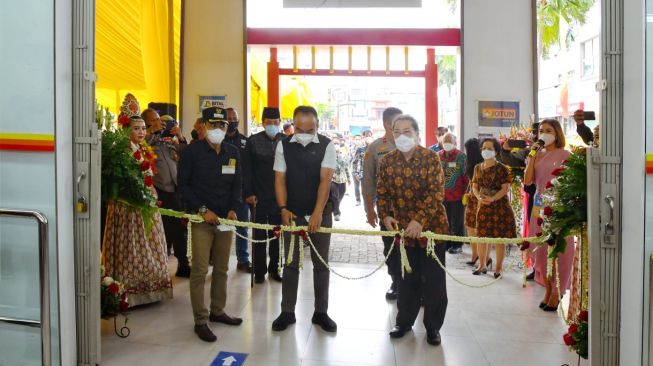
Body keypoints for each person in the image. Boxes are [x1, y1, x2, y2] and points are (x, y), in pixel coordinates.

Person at [377, 114, 449, 346]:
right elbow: (383, 192)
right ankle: (404, 322)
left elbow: (436, 193)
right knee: (406, 278)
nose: (402, 136)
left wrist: (419, 220)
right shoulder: (388, 161)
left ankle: (432, 327)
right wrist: (385, 214)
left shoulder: (430, 158)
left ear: (417, 134)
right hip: (404, 233)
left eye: (407, 131)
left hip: (431, 230)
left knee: (434, 281)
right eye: (397, 132)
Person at [178, 106, 244, 342]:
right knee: (199, 270)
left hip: (226, 220)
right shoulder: (191, 152)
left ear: (228, 127)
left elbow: (238, 184)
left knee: (223, 268)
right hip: (201, 219)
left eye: (222, 126)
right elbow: (183, 186)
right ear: (204, 126)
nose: (218, 129)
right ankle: (201, 320)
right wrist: (203, 211)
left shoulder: (233, 151)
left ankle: (218, 311)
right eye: (213, 125)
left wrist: (234, 208)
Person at [271, 106, 338, 332]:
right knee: (290, 264)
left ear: (316, 126)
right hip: (292, 213)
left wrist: (318, 212)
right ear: (293, 125)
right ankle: (287, 312)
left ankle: (321, 313)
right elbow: (280, 179)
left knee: (321, 265)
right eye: (299, 129)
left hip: (321, 212)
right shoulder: (283, 145)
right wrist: (283, 208)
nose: (303, 134)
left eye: (308, 130)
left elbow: (325, 181)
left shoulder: (327, 145)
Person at [102, 96, 173, 307]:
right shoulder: (120, 152)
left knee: (151, 249)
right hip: (128, 210)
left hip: (146, 209)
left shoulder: (143, 150)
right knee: (131, 253)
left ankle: (152, 291)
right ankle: (129, 294)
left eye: (143, 128)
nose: (141, 132)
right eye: (136, 128)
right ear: (126, 130)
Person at [524, 119, 574, 311]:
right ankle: (547, 288)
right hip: (538, 208)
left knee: (559, 251)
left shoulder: (565, 155)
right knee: (541, 250)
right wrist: (532, 156)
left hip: (558, 209)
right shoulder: (536, 155)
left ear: (557, 133)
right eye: (541, 130)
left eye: (549, 130)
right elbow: (528, 181)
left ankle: (557, 291)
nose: (544, 133)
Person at [142, 108, 190, 277]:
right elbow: (140, 149)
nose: (159, 122)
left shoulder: (167, 138)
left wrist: (181, 138)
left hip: (175, 189)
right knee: (160, 231)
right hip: (157, 190)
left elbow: (186, 154)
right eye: (154, 120)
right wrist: (150, 132)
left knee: (179, 228)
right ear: (146, 123)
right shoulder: (146, 138)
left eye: (160, 120)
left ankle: (183, 264)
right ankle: (159, 267)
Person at [362, 107, 403, 300]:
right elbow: (368, 181)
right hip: (387, 208)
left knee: (413, 245)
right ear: (387, 124)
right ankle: (396, 281)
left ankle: (413, 283)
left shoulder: (411, 145)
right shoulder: (375, 148)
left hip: (411, 208)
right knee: (391, 247)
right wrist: (369, 210)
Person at [244, 107, 284, 284]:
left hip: (279, 197)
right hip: (258, 196)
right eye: (269, 123)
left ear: (280, 123)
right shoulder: (252, 141)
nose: (273, 125)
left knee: (276, 235)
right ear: (263, 123)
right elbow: (246, 170)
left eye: (276, 123)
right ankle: (259, 271)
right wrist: (249, 193)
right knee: (259, 236)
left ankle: (275, 269)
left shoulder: (286, 141)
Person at [471, 138, 517, 278]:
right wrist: (479, 197)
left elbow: (505, 188)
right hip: (483, 206)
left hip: (500, 207)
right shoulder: (477, 167)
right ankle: (482, 265)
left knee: (499, 239)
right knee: (481, 237)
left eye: (490, 148)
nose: (486, 151)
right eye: (484, 148)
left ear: (496, 151)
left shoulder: (502, 168)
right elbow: (474, 186)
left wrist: (493, 198)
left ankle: (498, 269)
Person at [225, 107, 252, 273]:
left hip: (241, 193)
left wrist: (249, 192)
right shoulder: (219, 141)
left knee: (242, 227)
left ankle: (243, 259)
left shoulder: (245, 141)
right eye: (230, 118)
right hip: (223, 192)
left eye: (236, 118)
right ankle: (218, 259)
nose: (233, 121)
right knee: (222, 229)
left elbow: (249, 168)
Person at [437, 133, 468, 254]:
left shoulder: (461, 157)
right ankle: (447, 243)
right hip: (441, 196)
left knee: (457, 221)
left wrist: (466, 194)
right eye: (445, 141)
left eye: (449, 141)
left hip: (457, 196)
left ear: (455, 143)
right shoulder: (437, 156)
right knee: (444, 220)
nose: (447, 143)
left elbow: (466, 178)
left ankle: (457, 244)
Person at [463, 138, 484, 267]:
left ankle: (481, 257)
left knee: (476, 228)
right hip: (474, 198)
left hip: (479, 198)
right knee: (472, 227)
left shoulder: (477, 164)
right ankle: (476, 255)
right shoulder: (473, 163)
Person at [330, 141, 350, 221]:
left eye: (337, 149)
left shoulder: (343, 157)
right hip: (333, 179)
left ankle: (335, 207)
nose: (336, 150)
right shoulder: (328, 157)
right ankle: (336, 213)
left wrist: (349, 178)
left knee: (340, 196)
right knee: (335, 197)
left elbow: (346, 168)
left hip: (342, 179)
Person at [351, 130, 372, 206]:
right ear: (363, 137)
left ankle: (368, 205)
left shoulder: (375, 149)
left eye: (369, 136)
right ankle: (358, 200)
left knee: (366, 191)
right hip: (359, 172)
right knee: (357, 187)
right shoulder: (360, 149)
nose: (368, 137)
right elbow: (354, 162)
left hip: (369, 174)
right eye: (366, 136)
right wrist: (356, 173)